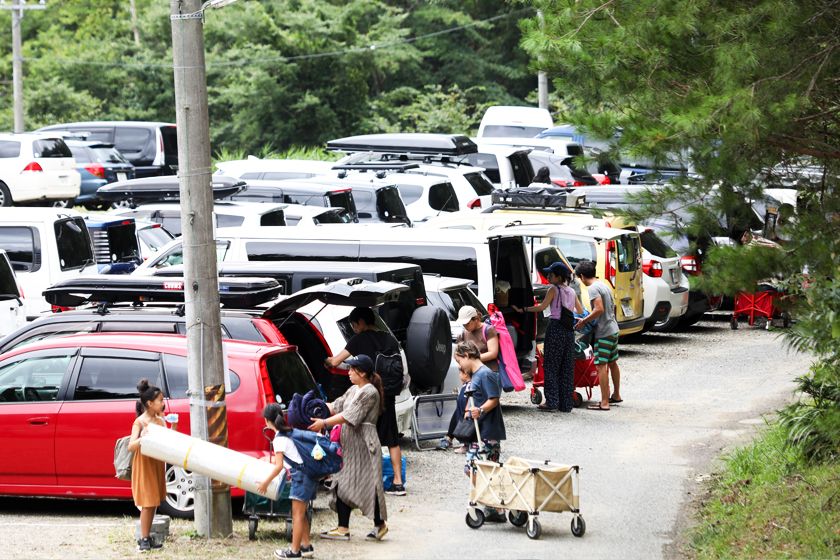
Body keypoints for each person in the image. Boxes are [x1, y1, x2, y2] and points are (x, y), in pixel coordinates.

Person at [325, 307, 405, 496]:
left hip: (367, 396)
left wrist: (326, 361)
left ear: (360, 322)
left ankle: (359, 481)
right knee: (392, 439)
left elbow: (336, 362)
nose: (353, 328)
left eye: (354, 325)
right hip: (388, 394)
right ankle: (398, 482)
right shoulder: (388, 338)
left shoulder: (358, 340)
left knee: (360, 436)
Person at [308, 355, 388, 542]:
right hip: (350, 445)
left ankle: (380, 524)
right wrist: (314, 406)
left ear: (362, 372)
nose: (349, 372)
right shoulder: (353, 389)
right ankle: (343, 528)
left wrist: (324, 423)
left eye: (352, 369)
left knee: (369, 485)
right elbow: (337, 406)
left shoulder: (370, 392)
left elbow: (349, 415)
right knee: (342, 482)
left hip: (364, 445)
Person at [514, 261, 581, 412]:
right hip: (569, 331)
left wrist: (523, 309)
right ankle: (566, 404)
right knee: (566, 367)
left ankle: (551, 402)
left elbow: (541, 307)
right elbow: (580, 309)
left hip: (556, 328)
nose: (548, 276)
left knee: (551, 365)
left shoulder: (553, 289)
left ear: (558, 277)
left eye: (551, 274)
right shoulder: (571, 291)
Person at [454, 341, 506, 522]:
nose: (460, 366)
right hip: (477, 431)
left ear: (467, 355)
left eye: (460, 361)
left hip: (488, 431)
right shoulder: (476, 375)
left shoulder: (486, 374)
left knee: (482, 468)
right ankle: (492, 505)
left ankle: (496, 506)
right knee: (473, 468)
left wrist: (480, 410)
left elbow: (494, 399)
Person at [257, 403, 316, 559]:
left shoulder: (279, 439)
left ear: (266, 421)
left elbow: (278, 467)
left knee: (297, 515)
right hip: (306, 475)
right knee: (300, 513)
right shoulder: (289, 432)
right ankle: (306, 546)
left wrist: (265, 482)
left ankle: (294, 552)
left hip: (300, 477)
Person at [127, 379, 177, 552]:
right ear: (149, 403)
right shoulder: (139, 423)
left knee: (154, 501)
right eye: (160, 400)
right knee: (147, 503)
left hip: (156, 464)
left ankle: (147, 537)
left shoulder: (160, 420)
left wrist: (174, 427)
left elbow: (168, 440)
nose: (163, 404)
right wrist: (143, 437)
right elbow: (131, 446)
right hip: (144, 465)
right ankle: (143, 539)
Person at [574, 260, 621, 411]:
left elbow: (599, 309)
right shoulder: (603, 285)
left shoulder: (593, 288)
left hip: (604, 332)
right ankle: (616, 395)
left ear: (582, 276)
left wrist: (584, 321)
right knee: (613, 363)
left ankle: (605, 402)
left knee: (601, 366)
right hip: (613, 328)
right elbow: (611, 307)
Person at [456, 305, 499, 372]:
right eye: (463, 324)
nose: (465, 326)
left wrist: (472, 360)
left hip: (490, 372)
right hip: (473, 374)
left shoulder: (489, 330)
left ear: (476, 319)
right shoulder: (464, 333)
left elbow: (493, 353)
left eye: (467, 323)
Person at [446, 365, 475, 453]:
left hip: (466, 411)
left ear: (465, 374)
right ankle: (463, 443)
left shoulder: (469, 385)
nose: (459, 375)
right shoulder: (465, 385)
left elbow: (468, 399)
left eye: (460, 373)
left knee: (466, 427)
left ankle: (467, 444)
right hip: (461, 410)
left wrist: (466, 410)